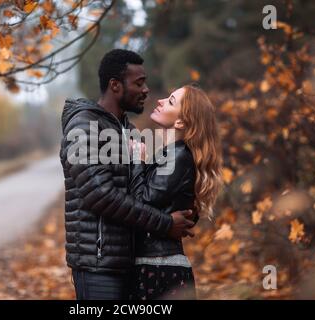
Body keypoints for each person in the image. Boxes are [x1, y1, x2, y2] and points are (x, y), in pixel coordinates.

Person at [59, 49, 195, 300]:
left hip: (130, 264)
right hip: (98, 266)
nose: (146, 90)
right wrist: (165, 224)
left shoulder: (129, 131)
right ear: (115, 85)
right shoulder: (84, 126)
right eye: (139, 83)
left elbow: (145, 189)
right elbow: (100, 195)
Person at [129, 85, 223, 300]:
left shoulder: (178, 157)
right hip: (155, 264)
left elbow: (142, 200)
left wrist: (137, 161)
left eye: (171, 101)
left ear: (180, 122)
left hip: (159, 268)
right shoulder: (171, 155)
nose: (160, 100)